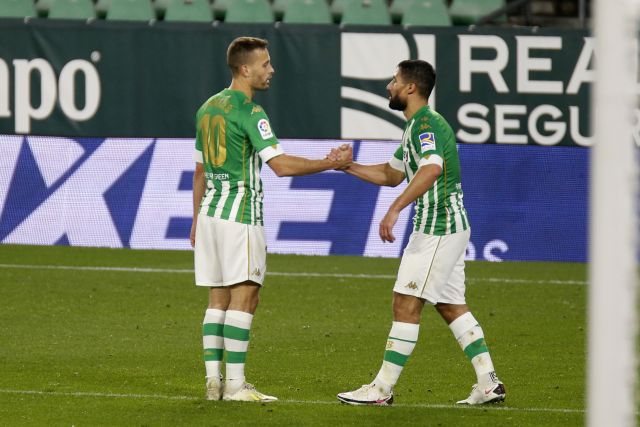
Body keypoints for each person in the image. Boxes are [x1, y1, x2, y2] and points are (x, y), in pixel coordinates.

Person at [333, 60, 505, 406]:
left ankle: (380, 390)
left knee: (405, 303)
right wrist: (347, 166)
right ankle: (489, 383)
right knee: (450, 305)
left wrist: (395, 208)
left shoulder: (426, 123)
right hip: (449, 225)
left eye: (395, 80)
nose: (389, 85)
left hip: (438, 226)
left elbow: (431, 167)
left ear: (411, 88)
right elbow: (391, 173)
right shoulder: (417, 127)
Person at [190, 36, 352, 403]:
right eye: (265, 64)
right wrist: (332, 163)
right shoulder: (250, 112)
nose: (271, 70)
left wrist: (195, 219)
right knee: (245, 298)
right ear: (245, 69)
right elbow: (280, 166)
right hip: (240, 215)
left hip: (211, 215)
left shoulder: (206, 109)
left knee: (217, 299)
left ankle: (213, 382)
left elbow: (199, 170)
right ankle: (235, 386)